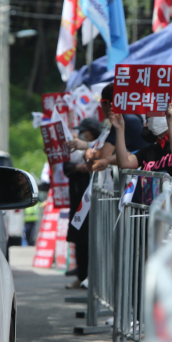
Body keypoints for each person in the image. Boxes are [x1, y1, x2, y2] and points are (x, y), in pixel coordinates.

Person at [111, 103, 172, 222]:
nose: (147, 123)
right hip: (152, 220)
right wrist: (120, 129)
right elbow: (124, 163)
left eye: (149, 118)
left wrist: (170, 123)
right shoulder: (148, 150)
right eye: (146, 118)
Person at [63, 118, 101, 289]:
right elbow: (67, 167)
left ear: (91, 132)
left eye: (83, 131)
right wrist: (77, 168)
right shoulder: (74, 149)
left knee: (93, 239)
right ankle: (81, 274)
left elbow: (93, 165)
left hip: (94, 201)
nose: (80, 135)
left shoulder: (99, 146)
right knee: (79, 237)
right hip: (78, 199)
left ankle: (93, 277)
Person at [84, 83, 148, 172]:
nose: (101, 106)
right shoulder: (131, 116)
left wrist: (88, 152)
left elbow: (103, 155)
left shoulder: (124, 120)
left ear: (110, 104)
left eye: (101, 102)